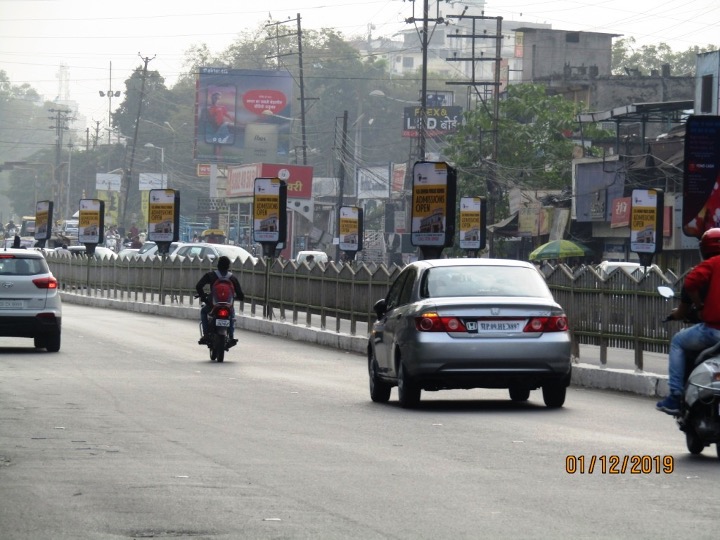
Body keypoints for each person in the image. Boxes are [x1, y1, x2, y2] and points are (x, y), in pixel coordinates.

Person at [657, 227, 720, 414]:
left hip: (713, 331)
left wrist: (699, 306)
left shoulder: (712, 264)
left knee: (677, 341)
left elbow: (690, 282)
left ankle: (675, 396)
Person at [195, 255, 244, 347]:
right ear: (228, 266)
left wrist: (204, 298)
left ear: (218, 265)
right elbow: (241, 294)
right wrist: (238, 297)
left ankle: (206, 335)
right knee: (232, 317)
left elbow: (198, 286)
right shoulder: (232, 278)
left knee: (203, 312)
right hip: (228, 306)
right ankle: (231, 337)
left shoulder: (211, 275)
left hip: (213, 305)